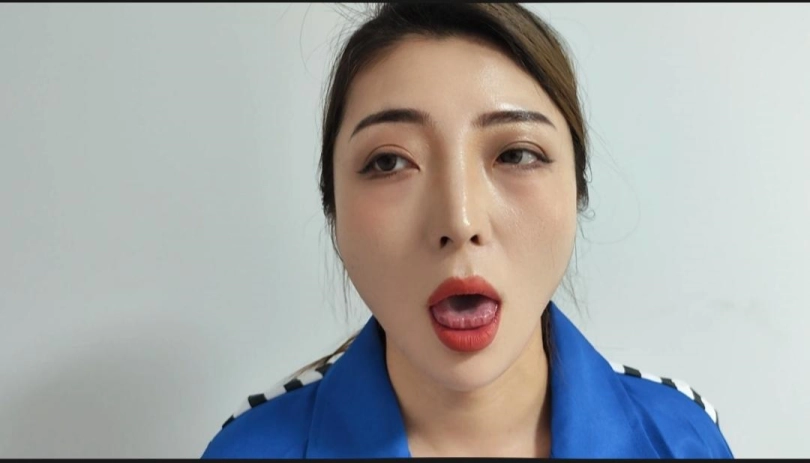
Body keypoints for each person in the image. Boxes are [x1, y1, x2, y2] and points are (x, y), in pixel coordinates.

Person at [201, 3, 734, 458]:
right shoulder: (247, 450)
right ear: (332, 207)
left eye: (516, 154)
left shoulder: (683, 439)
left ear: (578, 189)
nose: (459, 222)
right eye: (389, 162)